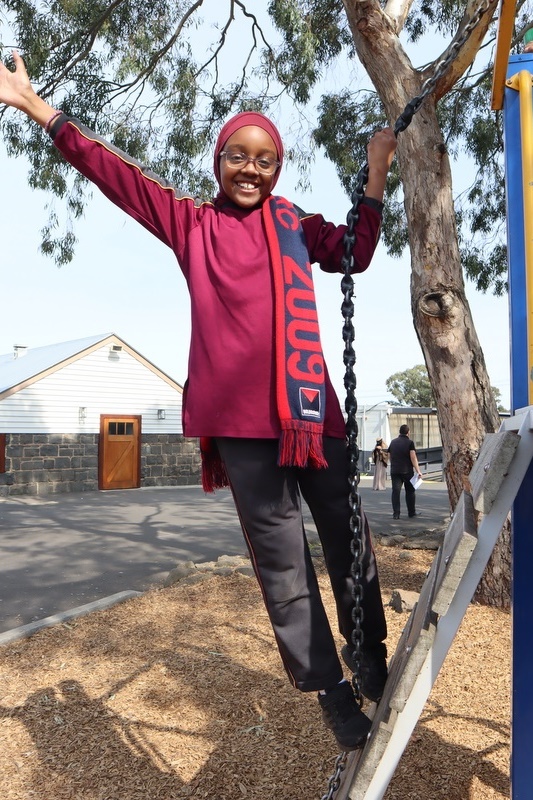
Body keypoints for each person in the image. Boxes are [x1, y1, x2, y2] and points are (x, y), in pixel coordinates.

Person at [0, 51, 397, 752]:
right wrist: (40, 111)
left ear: (278, 170)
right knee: (281, 565)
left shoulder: (296, 225)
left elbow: (355, 252)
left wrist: (377, 170)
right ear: (218, 163)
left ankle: (366, 648)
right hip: (243, 431)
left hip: (312, 416)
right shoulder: (193, 226)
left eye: (265, 159)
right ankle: (331, 691)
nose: (251, 169)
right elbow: (116, 177)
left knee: (348, 535)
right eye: (238, 156)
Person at [387, 424, 422, 519]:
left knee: (395, 492)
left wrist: (393, 463)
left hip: (395, 470)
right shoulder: (410, 442)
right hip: (407, 471)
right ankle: (411, 512)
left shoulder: (393, 442)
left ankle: (396, 514)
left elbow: (389, 455)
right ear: (408, 432)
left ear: (399, 432)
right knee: (410, 492)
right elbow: (413, 457)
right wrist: (418, 470)